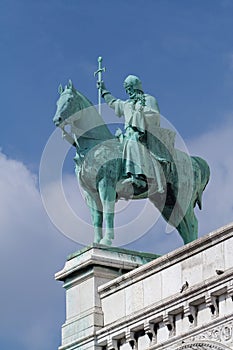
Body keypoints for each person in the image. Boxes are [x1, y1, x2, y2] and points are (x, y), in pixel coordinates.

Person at [98, 75, 164, 192]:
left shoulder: (148, 99)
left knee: (131, 143)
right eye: (127, 89)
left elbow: (155, 116)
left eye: (130, 88)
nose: (128, 92)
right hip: (128, 133)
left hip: (144, 134)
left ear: (136, 88)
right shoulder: (127, 104)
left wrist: (140, 115)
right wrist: (104, 91)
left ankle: (138, 177)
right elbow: (113, 103)